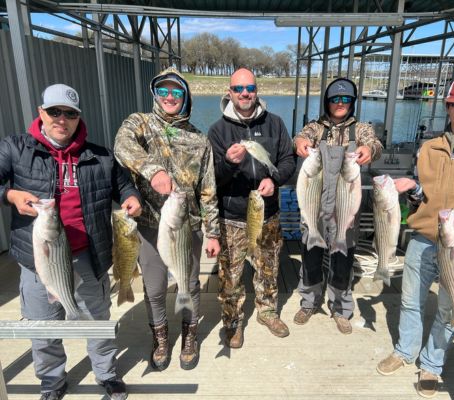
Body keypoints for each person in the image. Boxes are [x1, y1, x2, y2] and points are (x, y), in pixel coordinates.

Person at [0, 84, 141, 400]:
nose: (61, 119)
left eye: (70, 113)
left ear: (78, 117)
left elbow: (124, 186)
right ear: (41, 112)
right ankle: (51, 380)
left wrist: (131, 198)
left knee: (97, 323)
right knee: (43, 329)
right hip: (39, 260)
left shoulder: (101, 156)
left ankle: (106, 373)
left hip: (88, 258)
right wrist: (9, 194)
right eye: (54, 111)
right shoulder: (15, 148)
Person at [376, 76, 454, 398]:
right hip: (425, 236)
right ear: (448, 107)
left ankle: (432, 364)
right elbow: (425, 193)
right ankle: (405, 350)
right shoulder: (430, 147)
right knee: (410, 300)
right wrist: (414, 189)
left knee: (450, 306)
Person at [114, 67, 220, 371]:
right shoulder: (140, 124)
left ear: (185, 96)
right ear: (155, 94)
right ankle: (160, 338)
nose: (170, 96)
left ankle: (190, 336)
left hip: (189, 228)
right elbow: (121, 146)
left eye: (177, 91)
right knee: (155, 287)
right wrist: (153, 170)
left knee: (189, 283)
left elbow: (208, 190)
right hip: (149, 226)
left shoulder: (199, 139)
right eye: (163, 90)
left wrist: (212, 232)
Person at [207, 68, 296, 349]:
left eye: (250, 88)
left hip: (267, 212)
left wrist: (275, 178)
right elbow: (212, 178)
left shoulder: (276, 124)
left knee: (268, 268)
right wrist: (229, 164)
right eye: (238, 89)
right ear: (229, 92)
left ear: (257, 90)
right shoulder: (218, 131)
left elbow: (288, 161)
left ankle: (267, 311)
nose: (245, 93)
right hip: (232, 216)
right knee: (230, 275)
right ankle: (233, 322)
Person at [293, 77, 382, 334]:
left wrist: (369, 149)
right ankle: (309, 302)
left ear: (352, 102)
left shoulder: (361, 129)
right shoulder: (316, 128)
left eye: (346, 99)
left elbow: (375, 144)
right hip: (316, 203)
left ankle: (341, 308)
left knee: (343, 258)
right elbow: (300, 137)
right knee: (310, 256)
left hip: (345, 207)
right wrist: (299, 143)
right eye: (335, 99)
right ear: (327, 102)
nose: (340, 103)